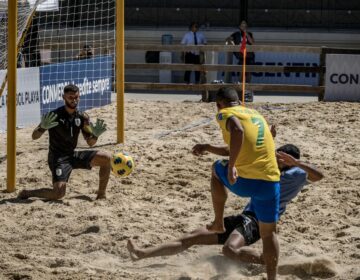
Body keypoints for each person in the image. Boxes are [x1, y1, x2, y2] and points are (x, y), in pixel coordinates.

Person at [127, 143, 324, 264]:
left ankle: (269, 261)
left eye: (279, 157)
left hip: (259, 221)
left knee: (229, 250)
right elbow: (234, 153)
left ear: (288, 160)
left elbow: (320, 176)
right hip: (245, 217)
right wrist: (208, 148)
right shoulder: (267, 167)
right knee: (192, 236)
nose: (275, 158)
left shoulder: (297, 174)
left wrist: (297, 163)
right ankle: (142, 253)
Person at [202, 87, 280, 279]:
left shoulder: (224, 114)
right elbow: (245, 143)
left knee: (215, 169)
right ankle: (272, 278)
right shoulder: (255, 114)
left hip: (247, 181)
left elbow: (237, 130)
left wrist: (231, 167)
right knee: (269, 235)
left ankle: (219, 222)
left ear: (219, 104)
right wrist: (207, 147)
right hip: (271, 181)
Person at [17, 84, 111, 201]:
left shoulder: (82, 117)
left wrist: (95, 135)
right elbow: (34, 136)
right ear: (64, 97)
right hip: (58, 158)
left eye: (76, 97)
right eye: (70, 97)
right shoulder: (54, 115)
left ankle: (101, 195)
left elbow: (90, 143)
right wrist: (42, 128)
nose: (74, 100)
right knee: (59, 194)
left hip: (72, 154)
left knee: (106, 158)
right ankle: (28, 193)